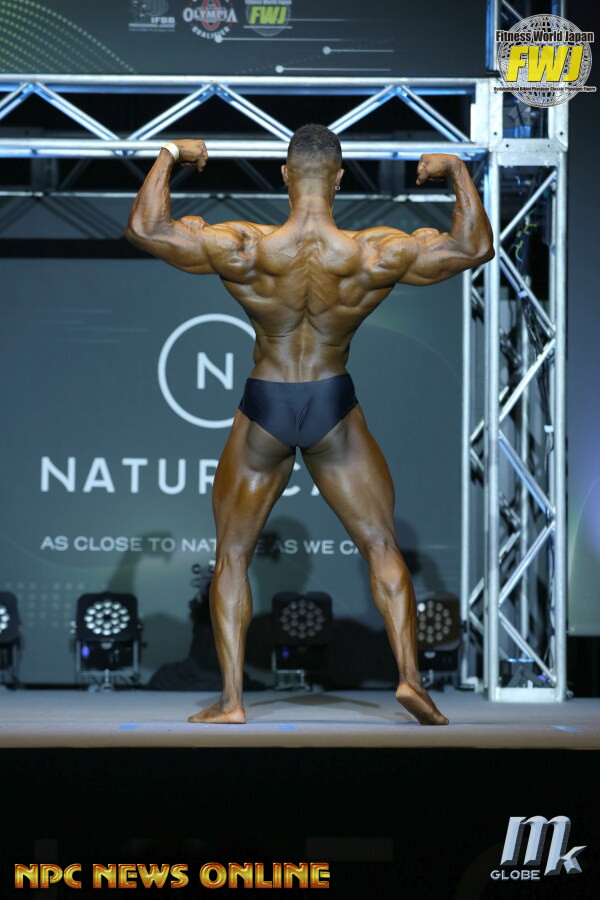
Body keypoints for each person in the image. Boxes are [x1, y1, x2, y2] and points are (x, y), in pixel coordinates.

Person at [125, 124, 494, 726]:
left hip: (266, 402)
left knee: (233, 556)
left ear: (285, 176)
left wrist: (169, 155)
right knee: (380, 545)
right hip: (331, 401)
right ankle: (411, 680)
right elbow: (472, 248)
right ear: (340, 177)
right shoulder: (373, 252)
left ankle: (232, 701)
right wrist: (456, 172)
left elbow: (146, 228)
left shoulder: (245, 245)